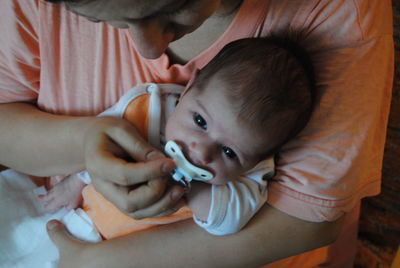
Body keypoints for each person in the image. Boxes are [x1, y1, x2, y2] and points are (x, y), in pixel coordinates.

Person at [0, 0, 393, 267]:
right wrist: (87, 152)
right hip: (71, 218)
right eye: (106, 20)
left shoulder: (339, 14)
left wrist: (101, 262)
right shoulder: (153, 106)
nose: (149, 48)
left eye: (175, 6)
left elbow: (305, 217)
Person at [40, 37, 314, 238]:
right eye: (200, 121)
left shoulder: (253, 172)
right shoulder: (149, 107)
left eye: (229, 153)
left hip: (136, 251)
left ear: (258, 158)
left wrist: (190, 188)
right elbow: (98, 147)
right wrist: (77, 180)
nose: (203, 153)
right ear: (188, 89)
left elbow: (228, 222)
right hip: (83, 219)